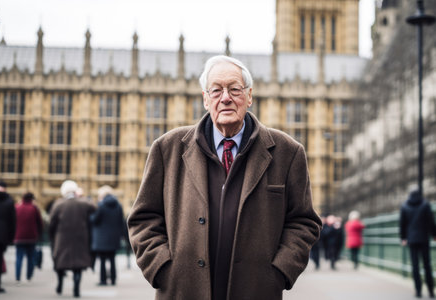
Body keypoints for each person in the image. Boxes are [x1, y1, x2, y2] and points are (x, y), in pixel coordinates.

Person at [127, 55, 322, 300]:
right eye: (217, 90)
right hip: (183, 290)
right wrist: (162, 268)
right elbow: (143, 218)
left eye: (235, 89)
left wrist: (279, 272)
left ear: (249, 96)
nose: (226, 98)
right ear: (205, 99)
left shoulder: (288, 152)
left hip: (255, 291)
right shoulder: (167, 149)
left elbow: (304, 222)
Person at [49, 180, 96, 298]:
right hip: (80, 238)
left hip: (62, 238)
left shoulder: (58, 204)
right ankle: (76, 289)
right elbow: (94, 207)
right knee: (78, 265)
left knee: (60, 262)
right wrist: (81, 196)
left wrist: (53, 237)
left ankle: (60, 284)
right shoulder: (82, 203)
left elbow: (51, 224)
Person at [400, 187, 436, 298]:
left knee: (415, 266)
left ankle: (418, 290)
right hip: (424, 238)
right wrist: (434, 234)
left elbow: (402, 224)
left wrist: (403, 238)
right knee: (427, 265)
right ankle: (430, 290)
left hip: (411, 239)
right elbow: (430, 221)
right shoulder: (425, 205)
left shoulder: (404, 206)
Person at [90, 185, 124, 286]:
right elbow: (121, 221)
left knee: (103, 260)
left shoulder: (101, 205)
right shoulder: (118, 205)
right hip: (114, 237)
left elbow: (95, 220)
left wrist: (91, 216)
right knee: (112, 259)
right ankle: (113, 279)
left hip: (102, 238)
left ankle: (103, 280)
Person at [14, 192, 43, 282]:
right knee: (30, 257)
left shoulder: (17, 207)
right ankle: (29, 276)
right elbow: (40, 223)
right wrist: (39, 234)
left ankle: (18, 277)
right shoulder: (34, 208)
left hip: (19, 237)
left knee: (19, 257)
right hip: (31, 237)